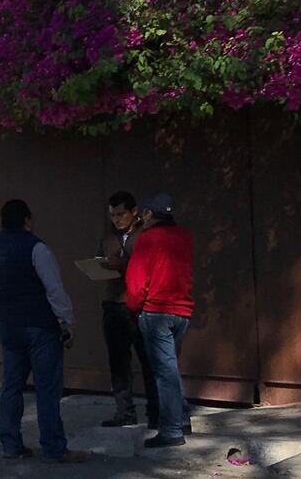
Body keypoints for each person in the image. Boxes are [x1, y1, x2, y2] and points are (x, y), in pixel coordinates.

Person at [0, 199, 88, 464]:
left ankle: (10, 443)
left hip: (7, 326)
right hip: (40, 327)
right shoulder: (37, 248)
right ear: (27, 220)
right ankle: (54, 447)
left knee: (12, 386)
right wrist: (67, 322)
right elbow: (54, 290)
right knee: (47, 388)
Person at [126, 193, 194, 448]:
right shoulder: (184, 237)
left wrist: (135, 308)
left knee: (164, 373)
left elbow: (137, 281)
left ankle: (172, 430)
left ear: (148, 214)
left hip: (156, 312)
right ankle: (183, 417)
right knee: (171, 368)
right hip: (182, 311)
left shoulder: (147, 238)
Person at [97, 191, 159, 429]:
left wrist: (122, 265)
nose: (117, 219)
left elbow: (150, 266)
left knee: (148, 359)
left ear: (134, 212)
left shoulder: (146, 234)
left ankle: (155, 411)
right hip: (113, 301)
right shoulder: (108, 237)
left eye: (121, 214)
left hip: (139, 304)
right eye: (113, 215)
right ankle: (124, 411)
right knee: (118, 361)